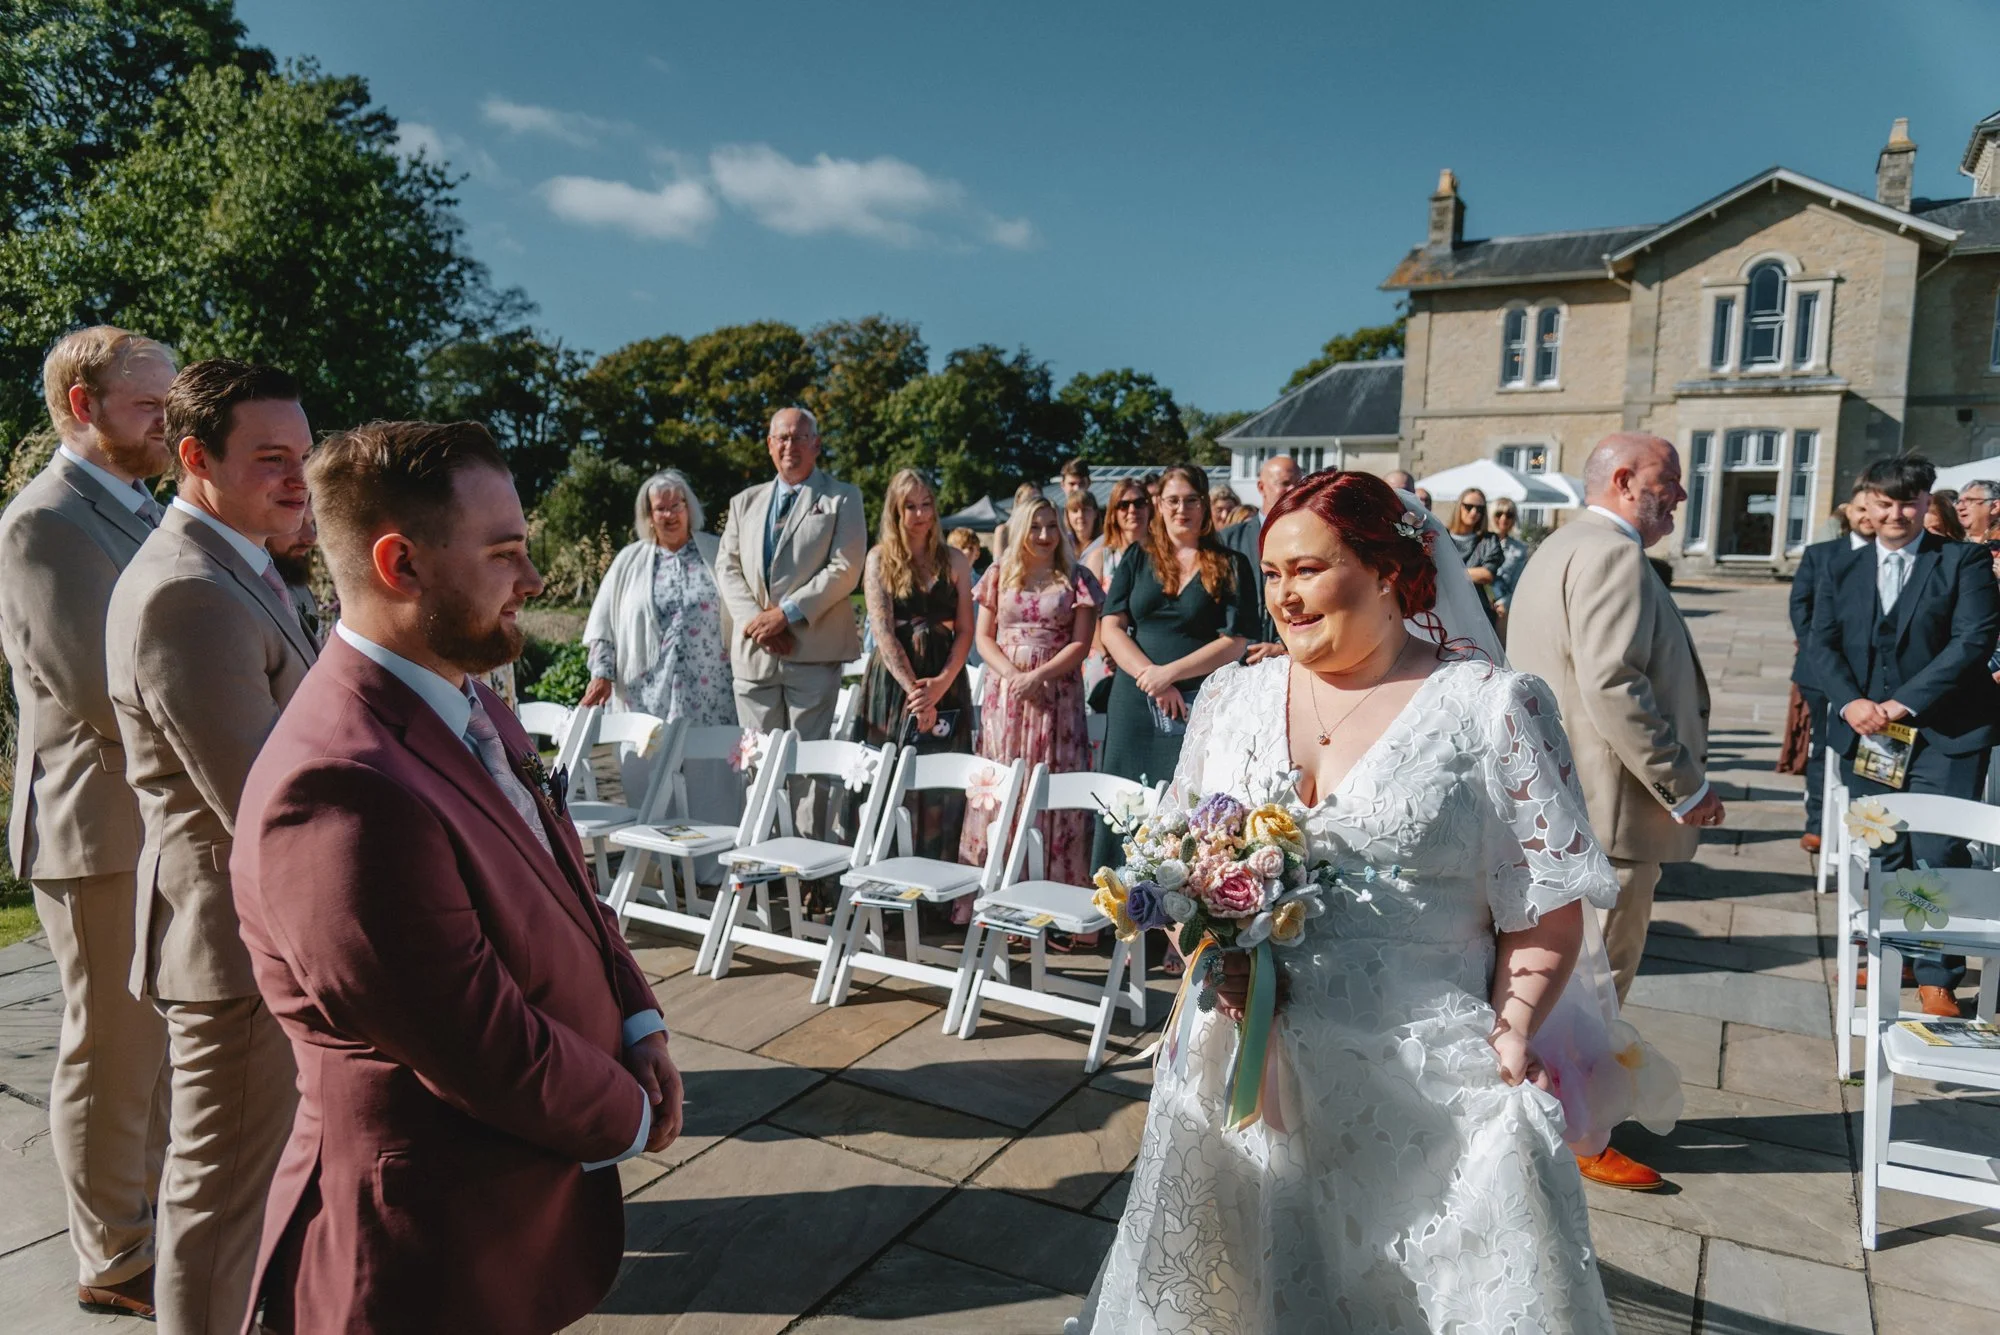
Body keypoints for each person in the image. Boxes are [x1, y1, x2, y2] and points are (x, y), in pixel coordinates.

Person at [1071, 470, 1622, 1334]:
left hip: (1420, 1101)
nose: (1284, 595)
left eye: (1310, 570)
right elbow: (1179, 865)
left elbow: (1546, 908)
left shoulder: (1490, 710)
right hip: (1239, 1086)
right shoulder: (1231, 699)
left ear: (1390, 570)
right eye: (1274, 572)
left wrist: (1512, 1030)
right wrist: (1206, 952)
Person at [231, 420, 681, 1334]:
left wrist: (639, 1018)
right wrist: (631, 1114)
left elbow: (564, 875)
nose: (535, 580)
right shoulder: (339, 789)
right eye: (507, 553)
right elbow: (479, 1040)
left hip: (509, 1216)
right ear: (402, 566)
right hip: (423, 1251)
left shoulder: (468, 693)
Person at [105, 359, 320, 1334]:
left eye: (305, 458)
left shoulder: (236, 563)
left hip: (249, 934)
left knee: (250, 1187)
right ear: (193, 458)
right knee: (218, 1201)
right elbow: (264, 805)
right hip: (232, 948)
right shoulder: (184, 592)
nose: (298, 481)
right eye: (271, 459)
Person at [0, 327, 175, 1321]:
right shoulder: (42, 525)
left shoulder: (141, 509)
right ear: (82, 406)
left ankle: (148, 1217)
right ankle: (112, 1259)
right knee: (109, 1050)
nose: (168, 423)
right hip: (96, 827)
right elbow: (105, 692)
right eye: (150, 407)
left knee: (149, 1050)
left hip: (155, 825)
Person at [1508, 432, 1718, 1190]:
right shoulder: (1613, 553)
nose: (1682, 498)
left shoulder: (1558, 548)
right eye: (1671, 482)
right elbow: (1612, 685)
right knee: (1597, 980)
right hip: (1607, 810)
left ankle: (1559, 1114)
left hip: (1557, 801)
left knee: (1559, 976)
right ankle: (1580, 1131)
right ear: (1626, 481)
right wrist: (1684, 784)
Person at [1809, 455, 2000, 1018]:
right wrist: (1851, 703)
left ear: (1924, 503)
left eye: (1909, 502)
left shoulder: (1962, 561)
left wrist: (1900, 701)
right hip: (1871, 734)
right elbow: (1821, 643)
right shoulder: (1839, 567)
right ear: (1868, 503)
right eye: (1886, 503)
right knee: (1885, 849)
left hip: (1948, 734)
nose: (1897, 513)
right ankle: (1899, 954)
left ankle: (1939, 972)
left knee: (1937, 851)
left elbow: (1971, 640)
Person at [1093, 463, 1259, 872]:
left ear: (1204, 506)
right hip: (1133, 701)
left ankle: (1173, 909)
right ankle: (1114, 903)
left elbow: (1236, 640)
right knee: (1123, 799)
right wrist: (1151, 677)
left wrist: (1172, 675)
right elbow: (1111, 625)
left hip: (1196, 703)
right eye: (1172, 501)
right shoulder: (1137, 556)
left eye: (1190, 500)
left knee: (1183, 803)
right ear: (1158, 505)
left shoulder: (1231, 563)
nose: (1181, 509)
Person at [959, 496, 1100, 902]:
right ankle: (993, 891)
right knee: (1002, 784)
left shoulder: (1077, 578)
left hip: (1057, 694)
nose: (1044, 535)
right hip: (1006, 696)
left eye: (1052, 526)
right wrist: (1014, 676)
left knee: (1055, 786)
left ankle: (1057, 898)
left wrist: (1038, 675)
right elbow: (984, 637)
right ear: (1021, 528)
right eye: (1036, 526)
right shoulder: (999, 574)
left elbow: (1081, 643)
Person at [714, 407, 865, 749]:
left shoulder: (843, 497)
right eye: (782, 437)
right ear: (769, 444)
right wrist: (758, 623)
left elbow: (846, 567)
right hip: (754, 654)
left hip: (811, 651)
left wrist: (785, 615)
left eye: (799, 437)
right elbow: (727, 567)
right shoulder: (743, 502)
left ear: (816, 444)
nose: (789, 446)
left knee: (808, 770)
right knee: (756, 765)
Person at [858, 469, 975, 855]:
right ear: (895, 511)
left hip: (947, 682)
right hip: (894, 687)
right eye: (910, 506)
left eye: (926, 504)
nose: (920, 514)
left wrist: (941, 684)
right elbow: (883, 631)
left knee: (943, 784)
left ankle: (938, 893)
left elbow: (965, 630)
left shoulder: (955, 560)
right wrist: (916, 693)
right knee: (890, 780)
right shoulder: (879, 560)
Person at [580, 469, 732, 731]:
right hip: (646, 694)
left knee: (711, 764)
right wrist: (601, 673)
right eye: (661, 508)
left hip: (713, 693)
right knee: (648, 763)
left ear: (689, 508)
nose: (670, 515)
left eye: (677, 505)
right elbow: (603, 626)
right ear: (649, 516)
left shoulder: (718, 551)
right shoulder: (628, 561)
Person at [1788, 484, 1875, 854]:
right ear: (1848, 513)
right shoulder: (1820, 554)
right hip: (1822, 674)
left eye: (1875, 508)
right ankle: (1818, 824)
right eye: (1860, 510)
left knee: (1872, 757)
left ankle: (1867, 832)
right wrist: (1827, 663)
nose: (1868, 517)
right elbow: (1801, 610)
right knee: (1823, 750)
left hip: (1877, 681)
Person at [1222, 454, 1304, 661]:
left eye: (1298, 483)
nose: (1293, 490)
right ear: (1261, 487)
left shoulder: (1312, 538)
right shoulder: (1229, 540)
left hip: (1290, 659)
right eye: (1284, 484)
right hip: (1236, 660)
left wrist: (1283, 647)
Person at [1084, 479, 1153, 709]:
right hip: (1105, 660)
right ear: (1114, 512)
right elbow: (1089, 614)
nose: (1132, 510)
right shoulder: (1100, 558)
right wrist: (1107, 654)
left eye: (1139, 503)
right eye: (1123, 505)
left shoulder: (1162, 559)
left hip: (1151, 659)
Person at [266, 501, 325, 648]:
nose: (311, 537)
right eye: (297, 522)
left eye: (312, 523)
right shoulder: (239, 592)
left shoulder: (299, 587)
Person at [1448, 487, 1506, 610]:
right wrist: (1470, 574)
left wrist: (1447, 573)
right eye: (1469, 507)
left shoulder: (1488, 540)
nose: (1474, 512)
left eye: (1479, 509)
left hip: (1477, 608)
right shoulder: (1442, 536)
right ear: (1459, 506)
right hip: (1446, 605)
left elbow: (1486, 574)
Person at [1489, 495, 1530, 618]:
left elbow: (1518, 584)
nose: (1504, 518)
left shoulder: (1519, 549)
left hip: (1503, 608)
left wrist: (1503, 603)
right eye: (1499, 514)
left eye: (1509, 515)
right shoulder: (1480, 543)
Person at [1064, 488, 1103, 561]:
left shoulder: (1105, 544)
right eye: (1075, 511)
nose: (1080, 515)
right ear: (1067, 515)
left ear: (1095, 513)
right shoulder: (1062, 545)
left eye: (1085, 510)